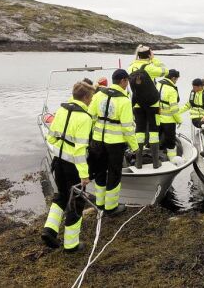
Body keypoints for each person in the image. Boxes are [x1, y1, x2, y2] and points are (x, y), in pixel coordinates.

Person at [41, 81, 94, 252]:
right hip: (73, 166)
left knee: (62, 196)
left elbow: (51, 138)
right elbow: (79, 150)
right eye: (91, 97)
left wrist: (62, 150)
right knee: (77, 202)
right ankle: (71, 245)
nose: (91, 100)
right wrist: (84, 175)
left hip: (58, 162)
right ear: (86, 97)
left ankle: (49, 230)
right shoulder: (85, 118)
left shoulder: (62, 111)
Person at [88, 69, 138, 216]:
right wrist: (135, 147)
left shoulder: (98, 95)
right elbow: (128, 127)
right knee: (114, 174)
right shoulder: (124, 101)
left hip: (97, 141)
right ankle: (111, 207)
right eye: (127, 81)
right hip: (115, 144)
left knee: (100, 171)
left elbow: (90, 116)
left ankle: (100, 203)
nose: (127, 83)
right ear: (123, 81)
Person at [127, 44, 169, 168]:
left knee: (139, 130)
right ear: (148, 55)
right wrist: (154, 59)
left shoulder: (131, 67)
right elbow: (165, 71)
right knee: (153, 131)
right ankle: (156, 162)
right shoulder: (150, 67)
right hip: (152, 104)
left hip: (138, 103)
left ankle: (139, 162)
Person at [179, 78, 204, 145]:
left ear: (200, 86)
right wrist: (177, 112)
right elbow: (188, 105)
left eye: (195, 87)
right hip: (196, 118)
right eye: (193, 87)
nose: (193, 89)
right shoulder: (193, 94)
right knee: (203, 124)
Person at [158, 69, 181, 160]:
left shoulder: (157, 84)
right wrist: (179, 120)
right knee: (171, 143)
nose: (176, 82)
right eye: (176, 80)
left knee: (156, 139)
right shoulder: (172, 90)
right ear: (173, 78)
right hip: (169, 121)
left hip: (157, 119)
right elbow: (174, 109)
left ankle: (155, 158)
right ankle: (172, 160)